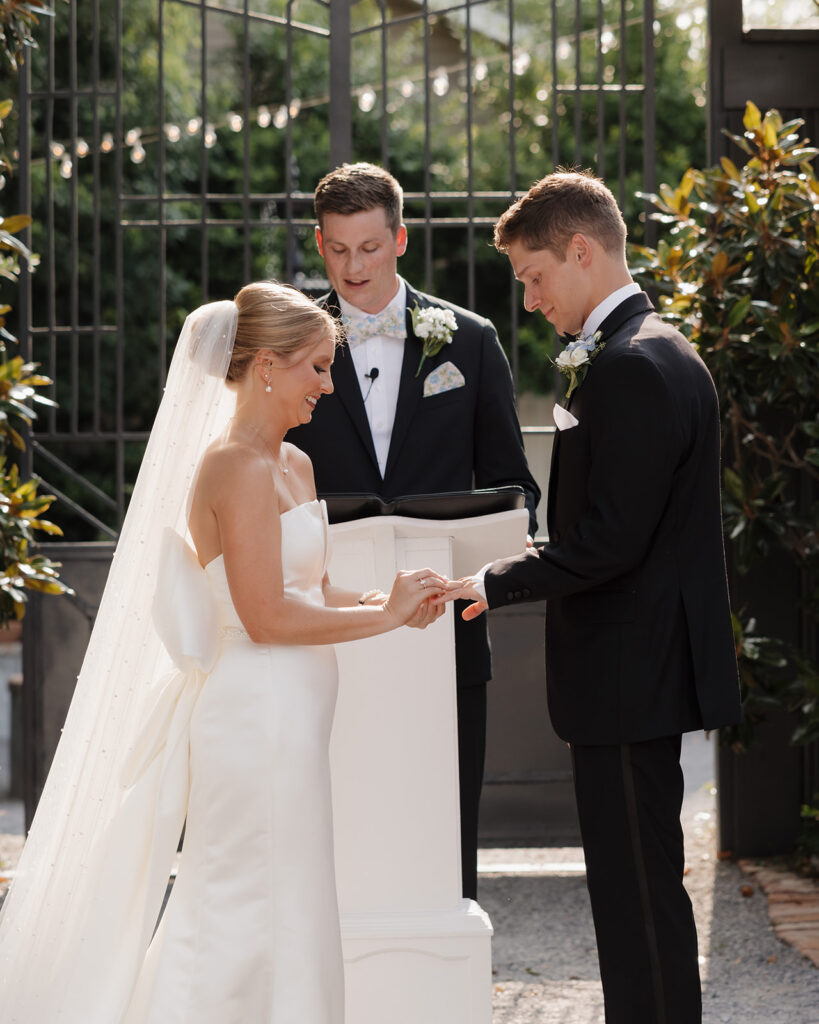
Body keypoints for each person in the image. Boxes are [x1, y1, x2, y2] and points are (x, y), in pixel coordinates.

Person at [0, 281, 446, 1024]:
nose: (326, 386)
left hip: (294, 718)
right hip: (252, 716)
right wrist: (385, 622)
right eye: (315, 367)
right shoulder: (231, 467)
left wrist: (388, 600)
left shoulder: (294, 465)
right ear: (265, 365)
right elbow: (266, 617)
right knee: (239, 897)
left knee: (291, 892)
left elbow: (315, 587)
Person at [440, 171, 742, 1023]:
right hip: (638, 670)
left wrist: (496, 580)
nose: (530, 300)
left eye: (534, 277)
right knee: (639, 885)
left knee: (635, 891)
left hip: (625, 674)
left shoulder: (632, 368)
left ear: (580, 250)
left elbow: (611, 541)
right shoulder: (658, 349)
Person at [287, 162, 540, 900]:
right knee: (340, 816)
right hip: (331, 622)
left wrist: (489, 559)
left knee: (443, 819)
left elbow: (514, 487)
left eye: (368, 247)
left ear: (399, 239)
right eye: (337, 250)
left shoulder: (468, 340)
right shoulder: (289, 342)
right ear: (319, 242)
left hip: (444, 623)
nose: (353, 267)